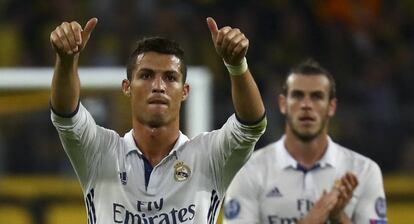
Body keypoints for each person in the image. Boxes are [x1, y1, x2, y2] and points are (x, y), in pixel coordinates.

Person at [49, 17, 266, 224]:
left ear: (184, 91)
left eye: (170, 78)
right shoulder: (100, 151)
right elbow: (65, 116)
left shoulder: (208, 156)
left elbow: (251, 126)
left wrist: (237, 66)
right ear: (127, 87)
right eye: (146, 75)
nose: (158, 86)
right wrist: (67, 61)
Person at [223, 59, 387, 224]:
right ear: (282, 104)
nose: (306, 105)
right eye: (297, 95)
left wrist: (339, 217)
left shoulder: (364, 171)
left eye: (317, 97)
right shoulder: (248, 171)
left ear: (331, 107)